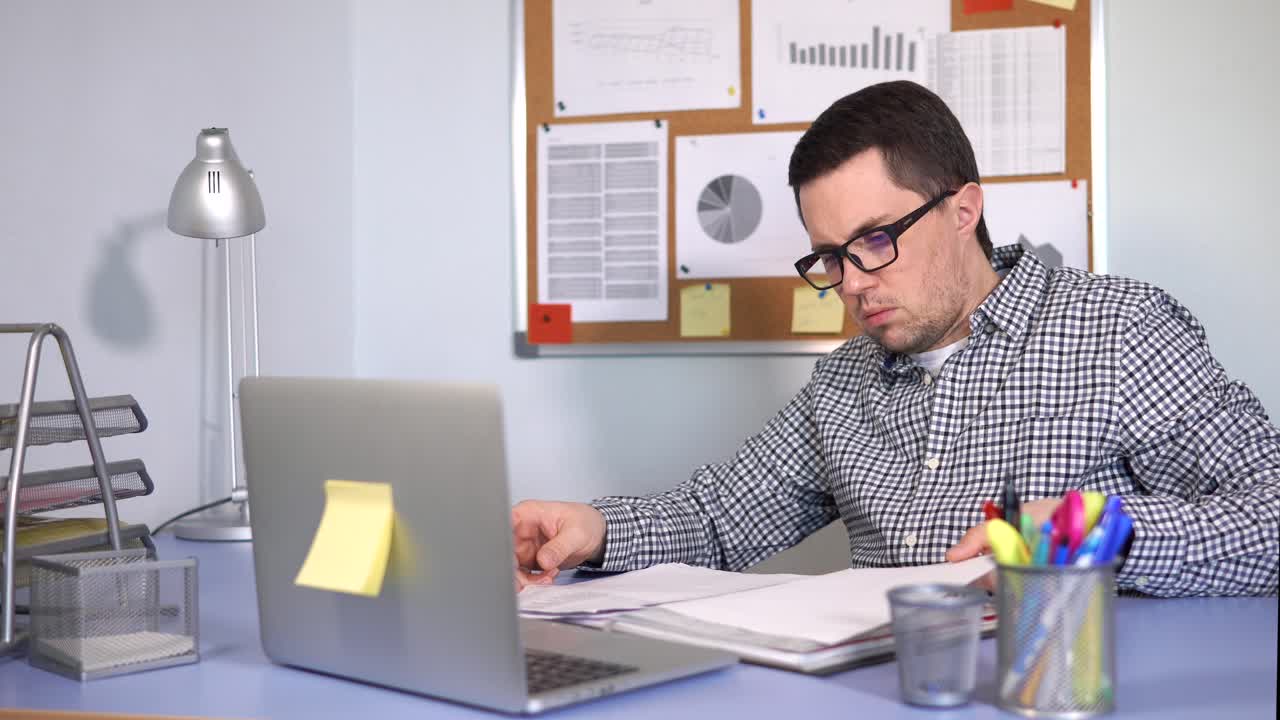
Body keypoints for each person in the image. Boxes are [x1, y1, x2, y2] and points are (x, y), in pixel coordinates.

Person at [512, 81, 1279, 598]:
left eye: (875, 240)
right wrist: (596, 531)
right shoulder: (844, 385)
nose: (850, 282)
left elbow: (1270, 517)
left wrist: (1085, 535)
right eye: (830, 256)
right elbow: (720, 517)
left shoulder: (1120, 332)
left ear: (963, 209)